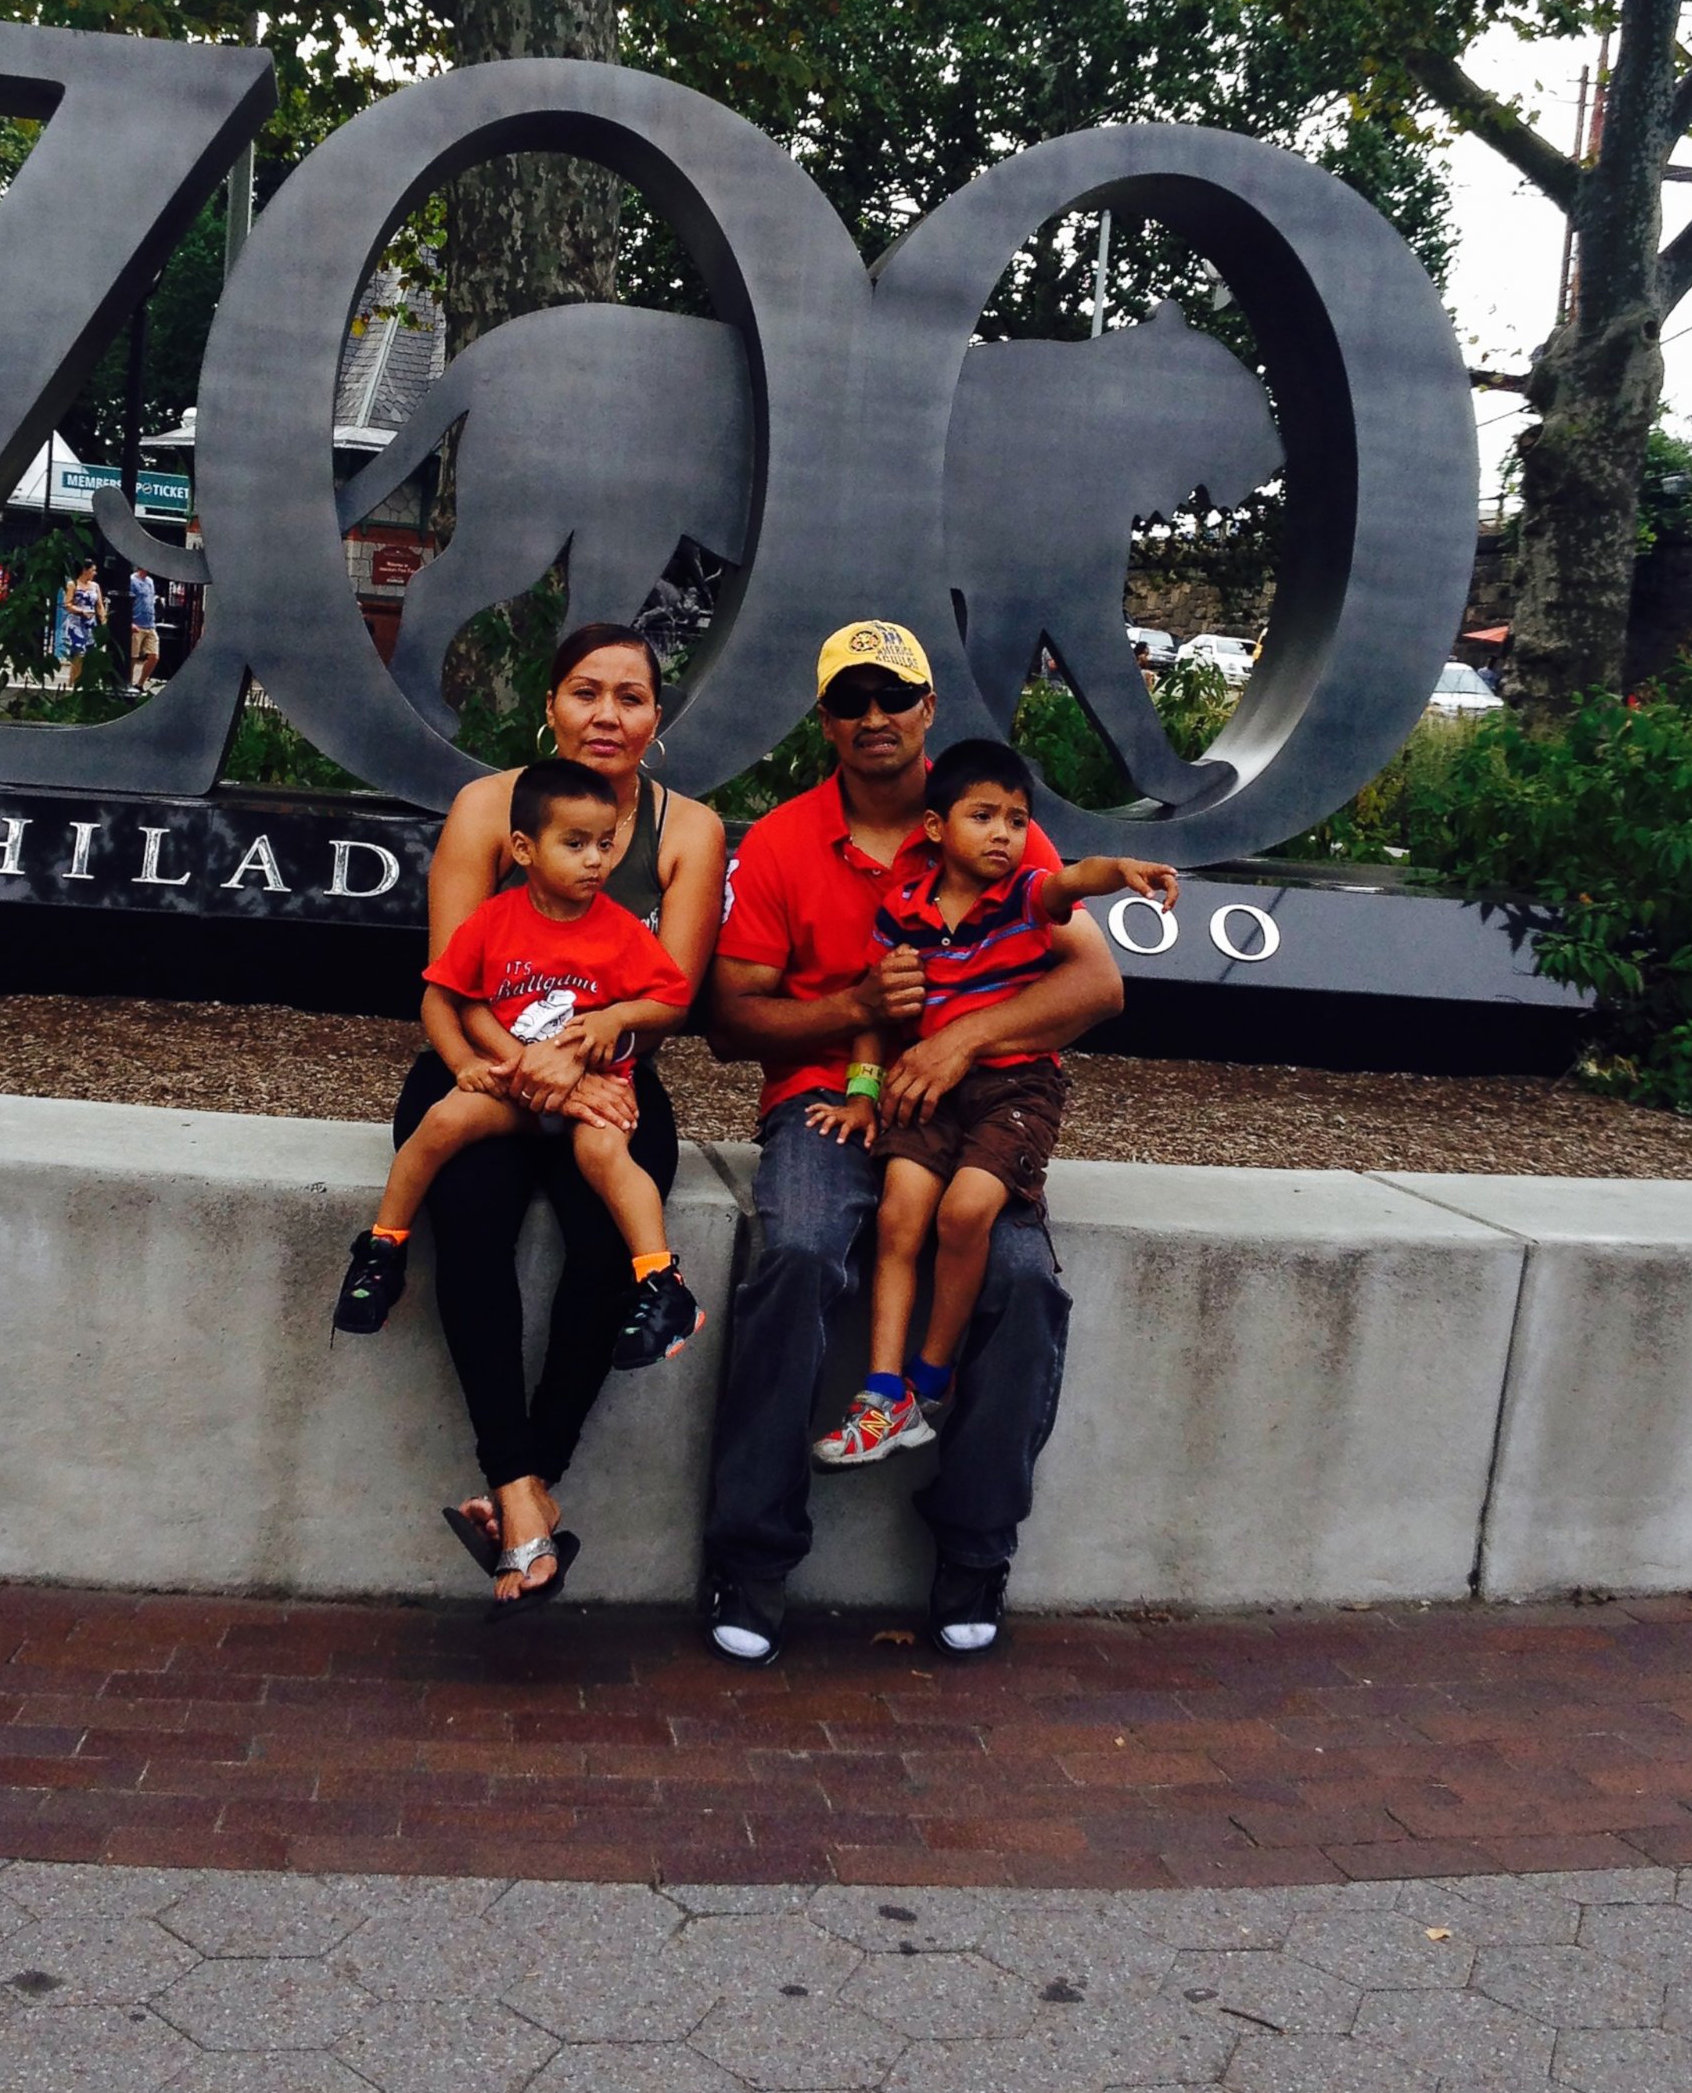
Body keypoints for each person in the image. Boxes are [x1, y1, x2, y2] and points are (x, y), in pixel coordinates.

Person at [703, 619, 1128, 1665]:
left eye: (893, 696)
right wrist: (849, 1002)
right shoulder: (780, 844)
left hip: (976, 1104)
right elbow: (728, 1019)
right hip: (825, 1103)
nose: (873, 717)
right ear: (825, 721)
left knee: (1023, 1286)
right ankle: (752, 1558)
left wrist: (959, 1040)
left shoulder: (991, 818)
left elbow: (1095, 983)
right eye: (850, 701)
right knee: (798, 1255)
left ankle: (974, 1550)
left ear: (927, 708)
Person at [377, 624, 727, 1605]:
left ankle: (528, 1486)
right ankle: (522, 1496)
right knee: (473, 1223)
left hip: (611, 1072)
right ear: (550, 705)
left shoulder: (688, 831)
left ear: (655, 716)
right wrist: (530, 1072)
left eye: (628, 696)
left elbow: (672, 999)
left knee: (607, 1249)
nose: (605, 715)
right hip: (479, 1065)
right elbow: (450, 980)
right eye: (584, 692)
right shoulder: (489, 808)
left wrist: (587, 1065)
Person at [805, 737, 1177, 1467]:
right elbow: (880, 1013)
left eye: (1015, 819)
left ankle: (930, 1376)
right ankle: (882, 1392)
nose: (1003, 833)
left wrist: (1120, 870)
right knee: (898, 1215)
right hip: (930, 1092)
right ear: (938, 828)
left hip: (1014, 1089)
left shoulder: (1023, 898)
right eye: (984, 816)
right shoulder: (902, 910)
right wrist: (861, 1095)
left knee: (966, 1211)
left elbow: (1071, 882)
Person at [335, 758, 704, 1382]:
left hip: (594, 1087)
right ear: (524, 849)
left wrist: (615, 1020)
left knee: (608, 1156)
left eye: (606, 845)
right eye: (576, 844)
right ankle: (381, 1249)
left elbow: (672, 997)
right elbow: (441, 997)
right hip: (512, 1084)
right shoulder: (493, 921)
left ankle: (661, 1283)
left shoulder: (619, 932)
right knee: (443, 1121)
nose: (596, 861)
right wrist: (463, 1063)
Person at [59, 560, 104, 688]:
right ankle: (73, 683)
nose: (94, 573)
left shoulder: (95, 586)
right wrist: (81, 611)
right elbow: (67, 604)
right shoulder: (73, 584)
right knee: (78, 654)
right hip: (77, 623)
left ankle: (87, 684)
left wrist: (103, 620)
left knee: (91, 655)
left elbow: (99, 605)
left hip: (91, 624)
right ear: (85, 570)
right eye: (92, 570)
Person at [127, 568, 161, 691]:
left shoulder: (150, 581)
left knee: (154, 656)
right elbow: (128, 601)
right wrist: (130, 622)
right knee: (133, 656)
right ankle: (128, 682)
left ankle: (140, 683)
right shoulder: (132, 580)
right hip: (137, 623)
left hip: (149, 623)